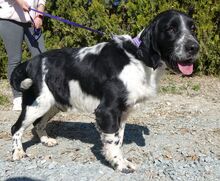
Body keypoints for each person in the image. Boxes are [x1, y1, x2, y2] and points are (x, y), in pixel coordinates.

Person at [0, 0, 46, 111]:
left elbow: (41, 0)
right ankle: (18, 98)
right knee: (15, 59)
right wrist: (19, 2)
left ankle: (42, 95)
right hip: (10, 19)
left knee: (42, 57)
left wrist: (39, 15)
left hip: (32, 20)